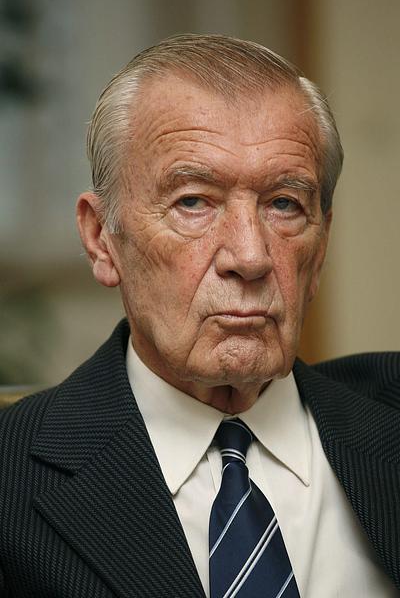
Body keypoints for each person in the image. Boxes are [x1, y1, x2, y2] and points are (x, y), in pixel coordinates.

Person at [0, 34, 399, 598]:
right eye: (193, 201)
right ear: (101, 239)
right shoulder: (10, 475)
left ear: (321, 244)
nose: (251, 256)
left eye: (284, 204)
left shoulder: (386, 420)